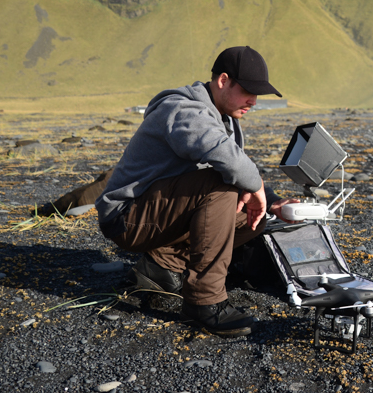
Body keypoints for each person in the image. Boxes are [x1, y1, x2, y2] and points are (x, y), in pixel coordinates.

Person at [96, 46, 297, 336]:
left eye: (258, 94)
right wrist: (254, 186)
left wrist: (273, 201)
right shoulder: (182, 110)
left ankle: (163, 266)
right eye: (248, 91)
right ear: (223, 80)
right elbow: (227, 162)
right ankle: (204, 303)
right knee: (220, 186)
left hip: (159, 211)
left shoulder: (224, 117)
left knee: (254, 216)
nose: (253, 101)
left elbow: (236, 171)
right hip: (127, 218)